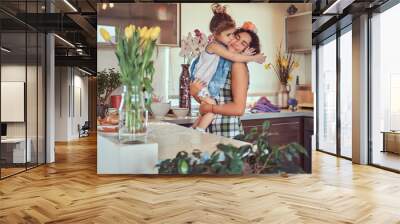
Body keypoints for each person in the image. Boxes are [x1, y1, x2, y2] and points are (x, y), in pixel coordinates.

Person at [190, 3, 266, 133]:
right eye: (236, 36)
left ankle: (196, 130)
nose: (234, 41)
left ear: (247, 50)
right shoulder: (223, 58)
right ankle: (194, 130)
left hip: (227, 131)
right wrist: (194, 91)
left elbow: (238, 109)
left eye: (243, 44)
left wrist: (209, 108)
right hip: (214, 130)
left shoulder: (238, 65)